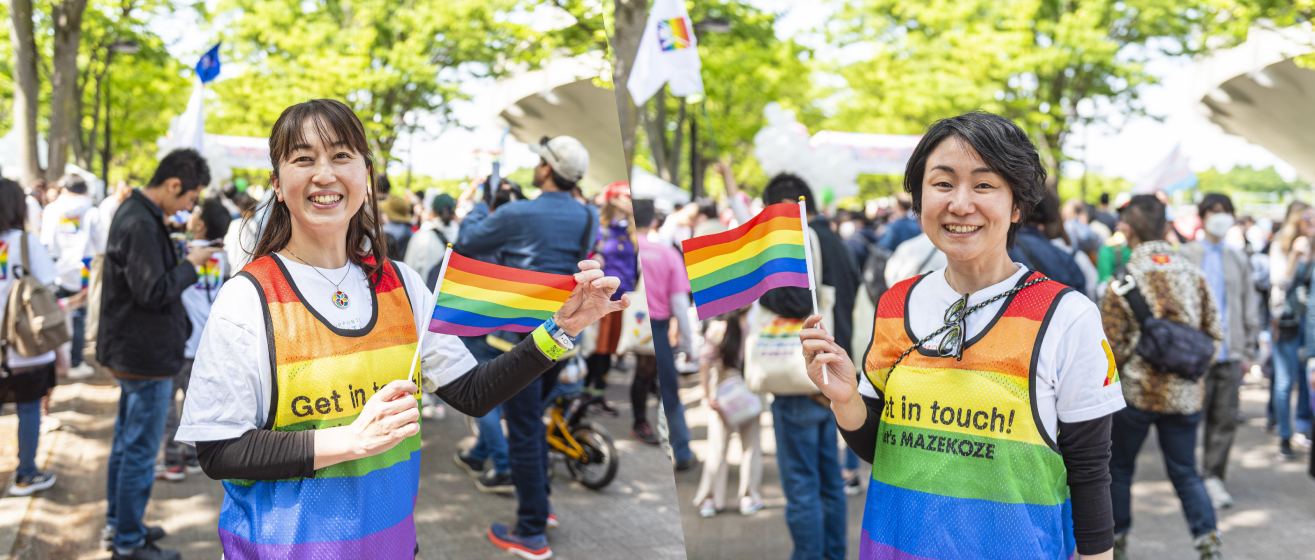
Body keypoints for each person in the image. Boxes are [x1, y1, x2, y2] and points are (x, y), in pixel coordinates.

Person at [174, 101, 626, 560]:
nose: (324, 174)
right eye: (303, 159)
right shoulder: (247, 298)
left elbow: (471, 392)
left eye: (342, 156)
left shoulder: (403, 284)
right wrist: (347, 441)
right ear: (278, 182)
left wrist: (560, 329)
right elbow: (219, 449)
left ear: (366, 175)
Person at [800, 112, 1126, 560]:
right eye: (943, 183)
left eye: (984, 185)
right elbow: (887, 450)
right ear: (919, 202)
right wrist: (844, 399)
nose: (960, 203)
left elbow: (1090, 472)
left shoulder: (1067, 317)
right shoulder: (895, 303)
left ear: (1016, 205)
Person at [453, 134, 604, 556]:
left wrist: (484, 202)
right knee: (531, 422)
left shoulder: (517, 211)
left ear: (546, 169)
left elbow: (467, 242)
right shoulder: (588, 215)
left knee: (521, 428)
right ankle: (542, 504)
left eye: (540, 160)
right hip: (563, 336)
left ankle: (532, 530)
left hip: (520, 339)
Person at [97, 148, 219, 560]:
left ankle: (121, 526)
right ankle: (128, 541)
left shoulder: (139, 215)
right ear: (172, 185)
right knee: (138, 449)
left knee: (126, 444)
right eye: (188, 199)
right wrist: (192, 266)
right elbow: (153, 290)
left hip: (135, 350)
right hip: (143, 354)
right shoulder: (139, 223)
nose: (188, 208)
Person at [1102, 194, 1224, 559]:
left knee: (1119, 471)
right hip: (1185, 394)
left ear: (1128, 230)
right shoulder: (1194, 273)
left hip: (1135, 395)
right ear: (1165, 227)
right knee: (1187, 474)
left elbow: (1109, 348)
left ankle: (1117, 545)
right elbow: (1214, 336)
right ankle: (1209, 545)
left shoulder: (1122, 281)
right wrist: (1190, 369)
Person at [757, 174, 848, 560]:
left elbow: (795, 302)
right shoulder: (835, 241)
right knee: (830, 483)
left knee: (801, 487)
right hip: (833, 381)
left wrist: (761, 291)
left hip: (800, 381)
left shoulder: (795, 244)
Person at [1178, 193, 1260, 509]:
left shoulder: (1238, 257)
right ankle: (1188, 477)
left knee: (1223, 419)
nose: (1220, 216)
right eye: (1214, 211)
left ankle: (1214, 477)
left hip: (1230, 352)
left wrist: (1248, 350)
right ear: (1203, 216)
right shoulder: (1186, 254)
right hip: (1193, 355)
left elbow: (1247, 305)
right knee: (1188, 418)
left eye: (1225, 211)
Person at [156, 198, 232, 482]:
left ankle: (172, 460)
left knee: (166, 404)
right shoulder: (221, 255)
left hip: (181, 343)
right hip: (206, 344)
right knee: (194, 404)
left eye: (195, 213)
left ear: (199, 225)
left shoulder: (184, 251)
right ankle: (192, 455)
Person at [0, 178, 60, 496]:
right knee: (27, 408)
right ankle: (25, 474)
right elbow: (49, 286)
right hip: (23, 346)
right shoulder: (25, 243)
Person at [632, 199, 696, 463]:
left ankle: (639, 423)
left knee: (641, 375)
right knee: (668, 390)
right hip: (657, 327)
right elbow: (680, 306)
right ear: (654, 221)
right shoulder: (668, 253)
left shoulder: (631, 248)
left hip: (634, 324)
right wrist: (689, 345)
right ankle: (680, 451)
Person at [692, 307, 764, 517]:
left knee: (717, 448)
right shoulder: (755, 329)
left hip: (723, 394)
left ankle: (711, 499)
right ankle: (748, 496)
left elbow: (704, 362)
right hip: (750, 393)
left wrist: (707, 395)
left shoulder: (716, 330)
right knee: (751, 446)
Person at [582, 181, 636, 416]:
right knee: (597, 348)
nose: (631, 200)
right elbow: (586, 257)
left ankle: (597, 395)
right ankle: (585, 394)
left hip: (627, 299)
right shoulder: (600, 229)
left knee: (611, 350)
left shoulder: (632, 231)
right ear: (613, 199)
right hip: (603, 297)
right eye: (626, 196)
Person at [1271, 202, 1314, 458]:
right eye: (1308, 217)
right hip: (1286, 320)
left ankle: (1304, 427)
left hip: (1309, 322)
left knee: (1307, 379)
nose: (1312, 222)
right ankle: (1284, 435)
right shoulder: (1282, 246)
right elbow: (1279, 282)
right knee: (1285, 382)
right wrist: (1295, 255)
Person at [40, 174, 95, 378]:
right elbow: (100, 243)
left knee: (54, 313)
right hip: (82, 268)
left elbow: (44, 241)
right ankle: (75, 362)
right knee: (78, 316)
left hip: (54, 268)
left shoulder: (52, 209)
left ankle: (56, 360)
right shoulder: (91, 210)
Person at [405, 193, 456, 282]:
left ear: (433, 211)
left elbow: (408, 274)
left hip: (426, 293)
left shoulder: (421, 236)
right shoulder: (462, 237)